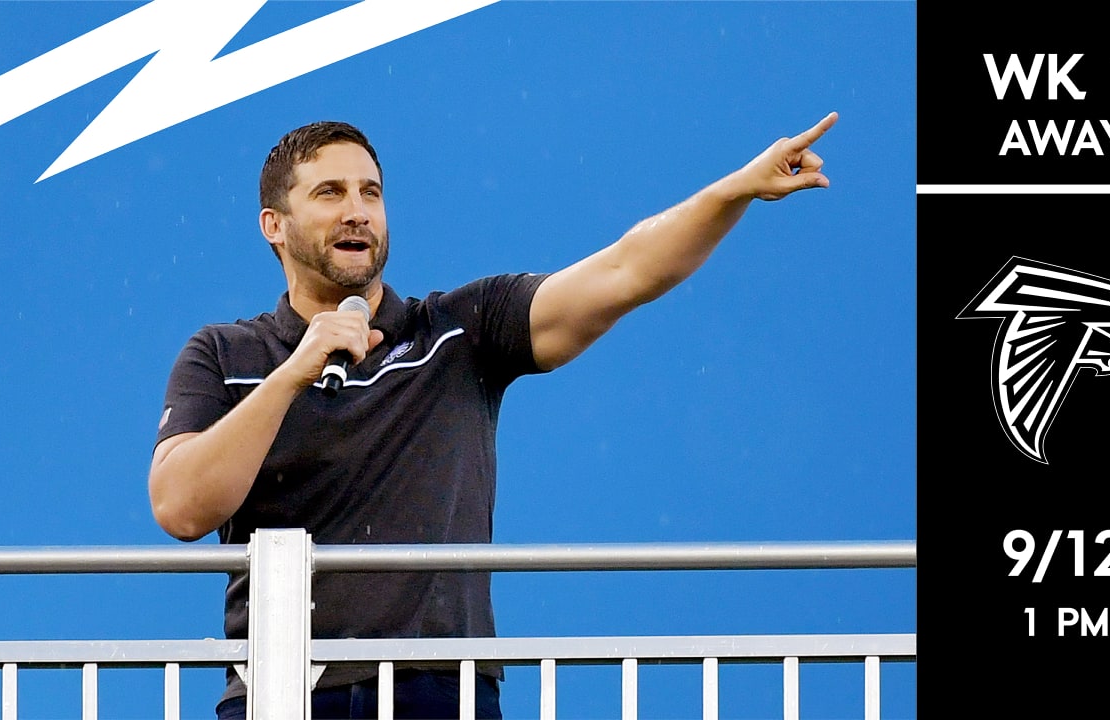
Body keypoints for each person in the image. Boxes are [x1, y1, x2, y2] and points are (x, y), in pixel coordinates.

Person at [148, 112, 838, 719]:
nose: (357, 210)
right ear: (274, 225)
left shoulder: (460, 329)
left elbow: (627, 271)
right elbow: (181, 507)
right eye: (330, 193)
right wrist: (297, 370)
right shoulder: (224, 352)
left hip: (441, 692)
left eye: (371, 193)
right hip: (280, 693)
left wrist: (735, 190)